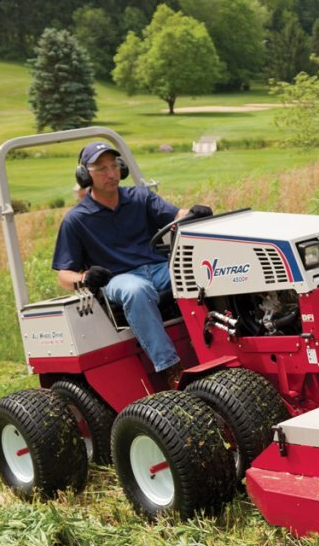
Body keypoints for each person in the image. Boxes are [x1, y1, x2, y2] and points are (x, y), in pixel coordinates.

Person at [52, 142, 211, 385]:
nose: (111, 174)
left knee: (200, 269)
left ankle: (214, 343)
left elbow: (177, 215)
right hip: (119, 279)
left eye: (114, 166)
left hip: (159, 268)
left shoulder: (140, 197)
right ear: (85, 175)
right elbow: (64, 275)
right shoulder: (76, 220)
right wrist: (84, 278)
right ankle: (171, 369)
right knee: (137, 291)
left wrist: (193, 213)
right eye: (102, 169)